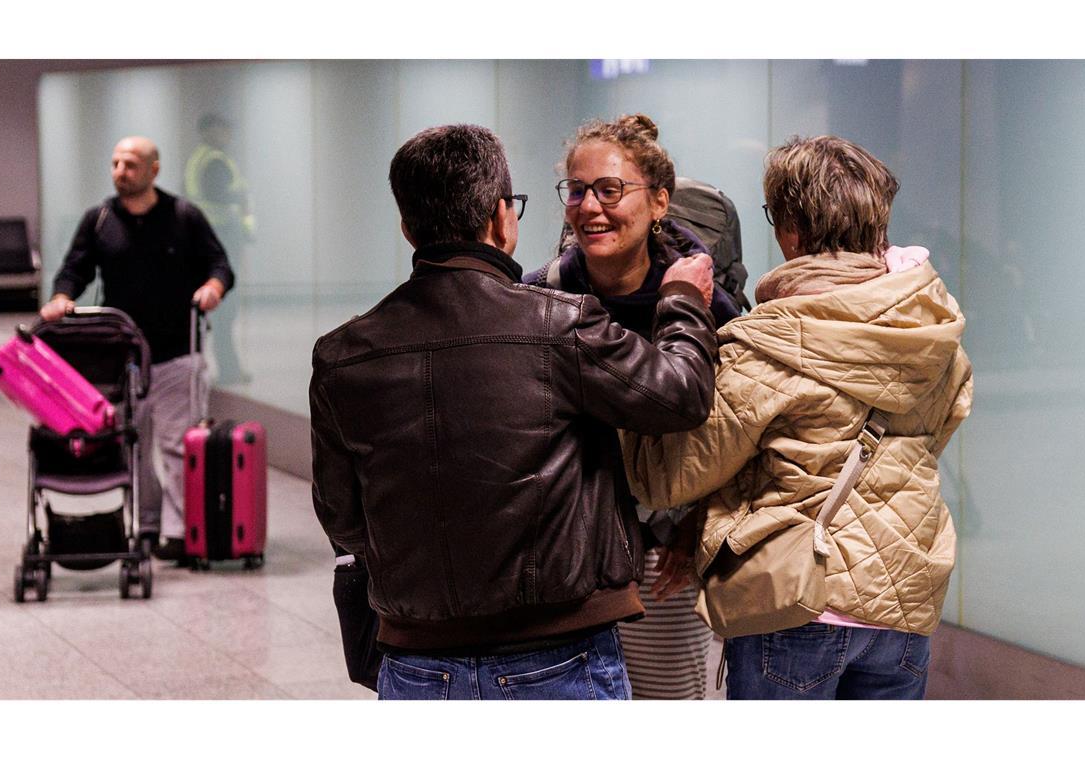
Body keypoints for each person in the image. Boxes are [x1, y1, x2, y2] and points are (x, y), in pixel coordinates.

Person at [310, 123, 718, 700]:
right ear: (503, 219)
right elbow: (681, 394)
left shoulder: (342, 355)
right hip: (558, 654)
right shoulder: (560, 323)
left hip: (414, 661)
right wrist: (680, 301)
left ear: (407, 227)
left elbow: (342, 518)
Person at [622, 135, 973, 699]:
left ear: (792, 226)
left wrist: (661, 333)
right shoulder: (934, 329)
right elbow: (943, 426)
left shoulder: (771, 343)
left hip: (797, 601)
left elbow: (665, 479)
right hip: (905, 604)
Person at [524, 114, 738, 700]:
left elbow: (740, 432)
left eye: (611, 190)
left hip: (664, 553)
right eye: (577, 190)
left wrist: (698, 524)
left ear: (659, 202)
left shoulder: (705, 306)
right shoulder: (537, 295)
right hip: (562, 557)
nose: (591, 207)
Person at [41, 136, 235, 563]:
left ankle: (182, 531)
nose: (119, 171)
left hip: (176, 352)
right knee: (135, 443)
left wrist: (212, 287)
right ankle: (147, 526)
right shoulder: (100, 218)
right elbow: (74, 269)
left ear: (153, 169)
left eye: (129, 164)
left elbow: (220, 264)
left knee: (176, 445)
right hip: (123, 358)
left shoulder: (183, 216)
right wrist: (61, 297)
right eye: (114, 163)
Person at [184, 113, 254, 385]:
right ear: (209, 131)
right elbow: (218, 194)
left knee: (219, 311)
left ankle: (224, 368)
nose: (227, 135)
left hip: (207, 237)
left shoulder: (199, 159)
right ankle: (229, 370)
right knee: (226, 310)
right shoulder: (214, 160)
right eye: (223, 129)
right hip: (221, 236)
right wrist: (240, 197)